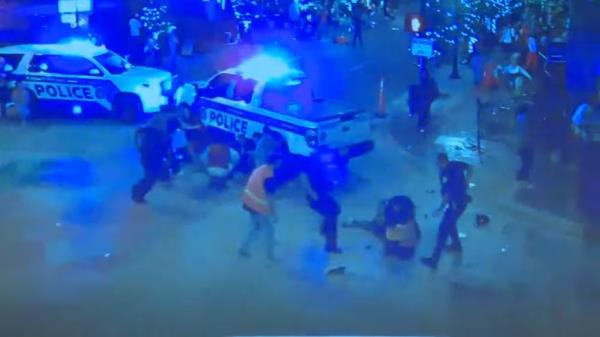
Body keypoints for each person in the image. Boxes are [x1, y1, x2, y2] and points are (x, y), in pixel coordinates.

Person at [422, 153, 473, 269]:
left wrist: (440, 209)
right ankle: (456, 246)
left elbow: (447, 195)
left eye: (438, 163)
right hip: (463, 201)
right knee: (451, 225)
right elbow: (470, 167)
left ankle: (434, 260)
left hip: (455, 205)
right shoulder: (456, 164)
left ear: (441, 162)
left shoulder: (445, 174)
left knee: (443, 230)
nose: (437, 165)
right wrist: (467, 181)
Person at [344, 195, 420, 259]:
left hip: (402, 250)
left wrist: (385, 218)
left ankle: (357, 224)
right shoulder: (409, 216)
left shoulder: (401, 227)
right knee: (377, 222)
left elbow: (389, 235)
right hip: (404, 240)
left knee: (375, 227)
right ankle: (359, 223)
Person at [238, 155, 281, 261]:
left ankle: (244, 248)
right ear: (277, 162)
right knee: (270, 230)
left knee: (256, 227)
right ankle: (270, 256)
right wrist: (274, 214)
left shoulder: (260, 169)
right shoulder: (269, 177)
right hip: (257, 205)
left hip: (248, 202)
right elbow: (270, 198)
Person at [131, 116, 171, 203]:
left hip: (148, 158)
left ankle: (138, 191)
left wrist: (138, 147)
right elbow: (164, 149)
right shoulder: (159, 135)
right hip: (152, 159)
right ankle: (138, 193)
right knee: (151, 178)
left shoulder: (149, 132)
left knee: (150, 177)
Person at [516, 103, 535, 182]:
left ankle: (523, 174)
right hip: (527, 141)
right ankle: (524, 175)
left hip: (523, 141)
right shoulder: (524, 118)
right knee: (527, 159)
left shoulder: (520, 117)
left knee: (524, 159)